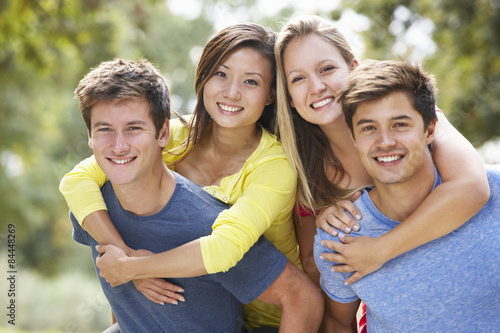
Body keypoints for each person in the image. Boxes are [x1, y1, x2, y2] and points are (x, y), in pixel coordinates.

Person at [60, 24, 322, 331]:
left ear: (270, 95)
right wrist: (128, 261)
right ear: (204, 77)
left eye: (251, 81)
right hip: (194, 302)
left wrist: (132, 267)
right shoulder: (170, 135)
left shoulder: (274, 167)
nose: (232, 92)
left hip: (267, 313)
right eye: (221, 74)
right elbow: (78, 180)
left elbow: (223, 248)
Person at [275, 13, 489, 287]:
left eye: (327, 69)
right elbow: (313, 268)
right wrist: (327, 231)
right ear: (289, 98)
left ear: (352, 66)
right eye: (298, 79)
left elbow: (472, 187)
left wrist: (380, 250)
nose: (317, 87)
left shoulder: (408, 114)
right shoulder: (306, 170)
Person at [314, 59, 500, 332]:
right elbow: (338, 324)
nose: (385, 141)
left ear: (430, 130)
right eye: (368, 128)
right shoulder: (339, 237)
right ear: (354, 139)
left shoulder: (493, 191)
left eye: (400, 124)